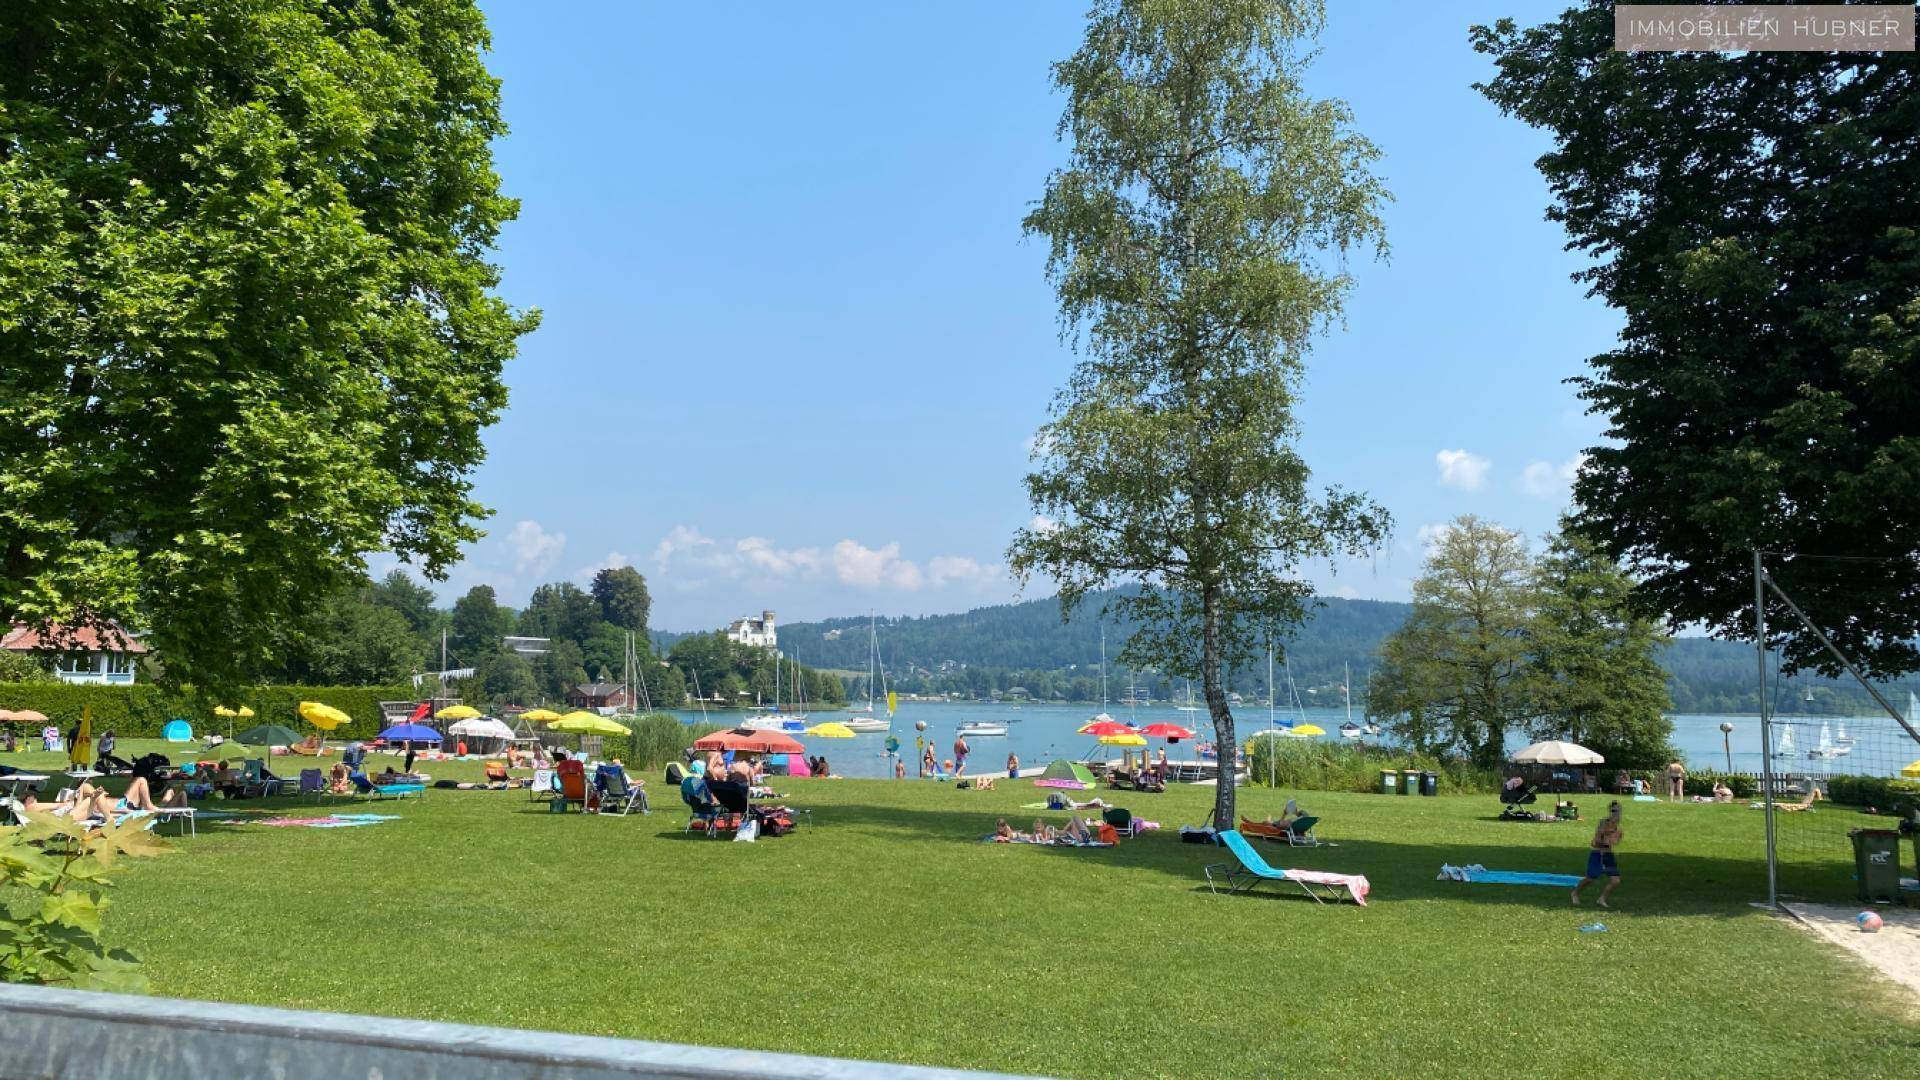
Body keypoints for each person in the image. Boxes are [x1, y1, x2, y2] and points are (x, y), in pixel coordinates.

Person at [1571, 801, 1624, 908]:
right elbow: (1594, 842)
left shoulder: (1618, 829)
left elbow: (1615, 841)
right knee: (1591, 878)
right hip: (1597, 854)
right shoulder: (1603, 824)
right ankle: (1575, 893)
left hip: (1608, 856)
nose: (1616, 814)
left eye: (1618, 811)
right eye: (1614, 811)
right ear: (1611, 811)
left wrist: (1614, 839)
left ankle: (1602, 899)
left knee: (1615, 881)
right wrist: (1604, 839)